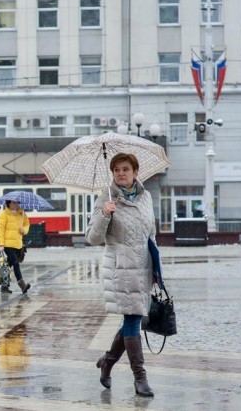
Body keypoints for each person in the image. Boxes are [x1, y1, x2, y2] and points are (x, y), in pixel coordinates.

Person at [85, 152, 157, 398]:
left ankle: (107, 362)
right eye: (116, 170)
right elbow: (92, 238)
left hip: (143, 269)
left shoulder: (146, 197)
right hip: (121, 270)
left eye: (126, 169)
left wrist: (156, 268)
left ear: (136, 172)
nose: (121, 173)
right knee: (132, 320)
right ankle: (140, 378)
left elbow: (151, 235)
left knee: (132, 320)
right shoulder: (106, 198)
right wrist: (105, 214)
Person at [0, 200, 31, 294]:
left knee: (9, 265)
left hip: (18, 244)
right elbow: (0, 230)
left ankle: (4, 286)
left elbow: (27, 224)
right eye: (13, 203)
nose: (16, 204)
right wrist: (1, 244)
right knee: (15, 263)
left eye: (17, 203)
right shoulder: (3, 215)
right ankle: (22, 284)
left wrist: (24, 230)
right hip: (7, 244)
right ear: (8, 204)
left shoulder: (21, 213)